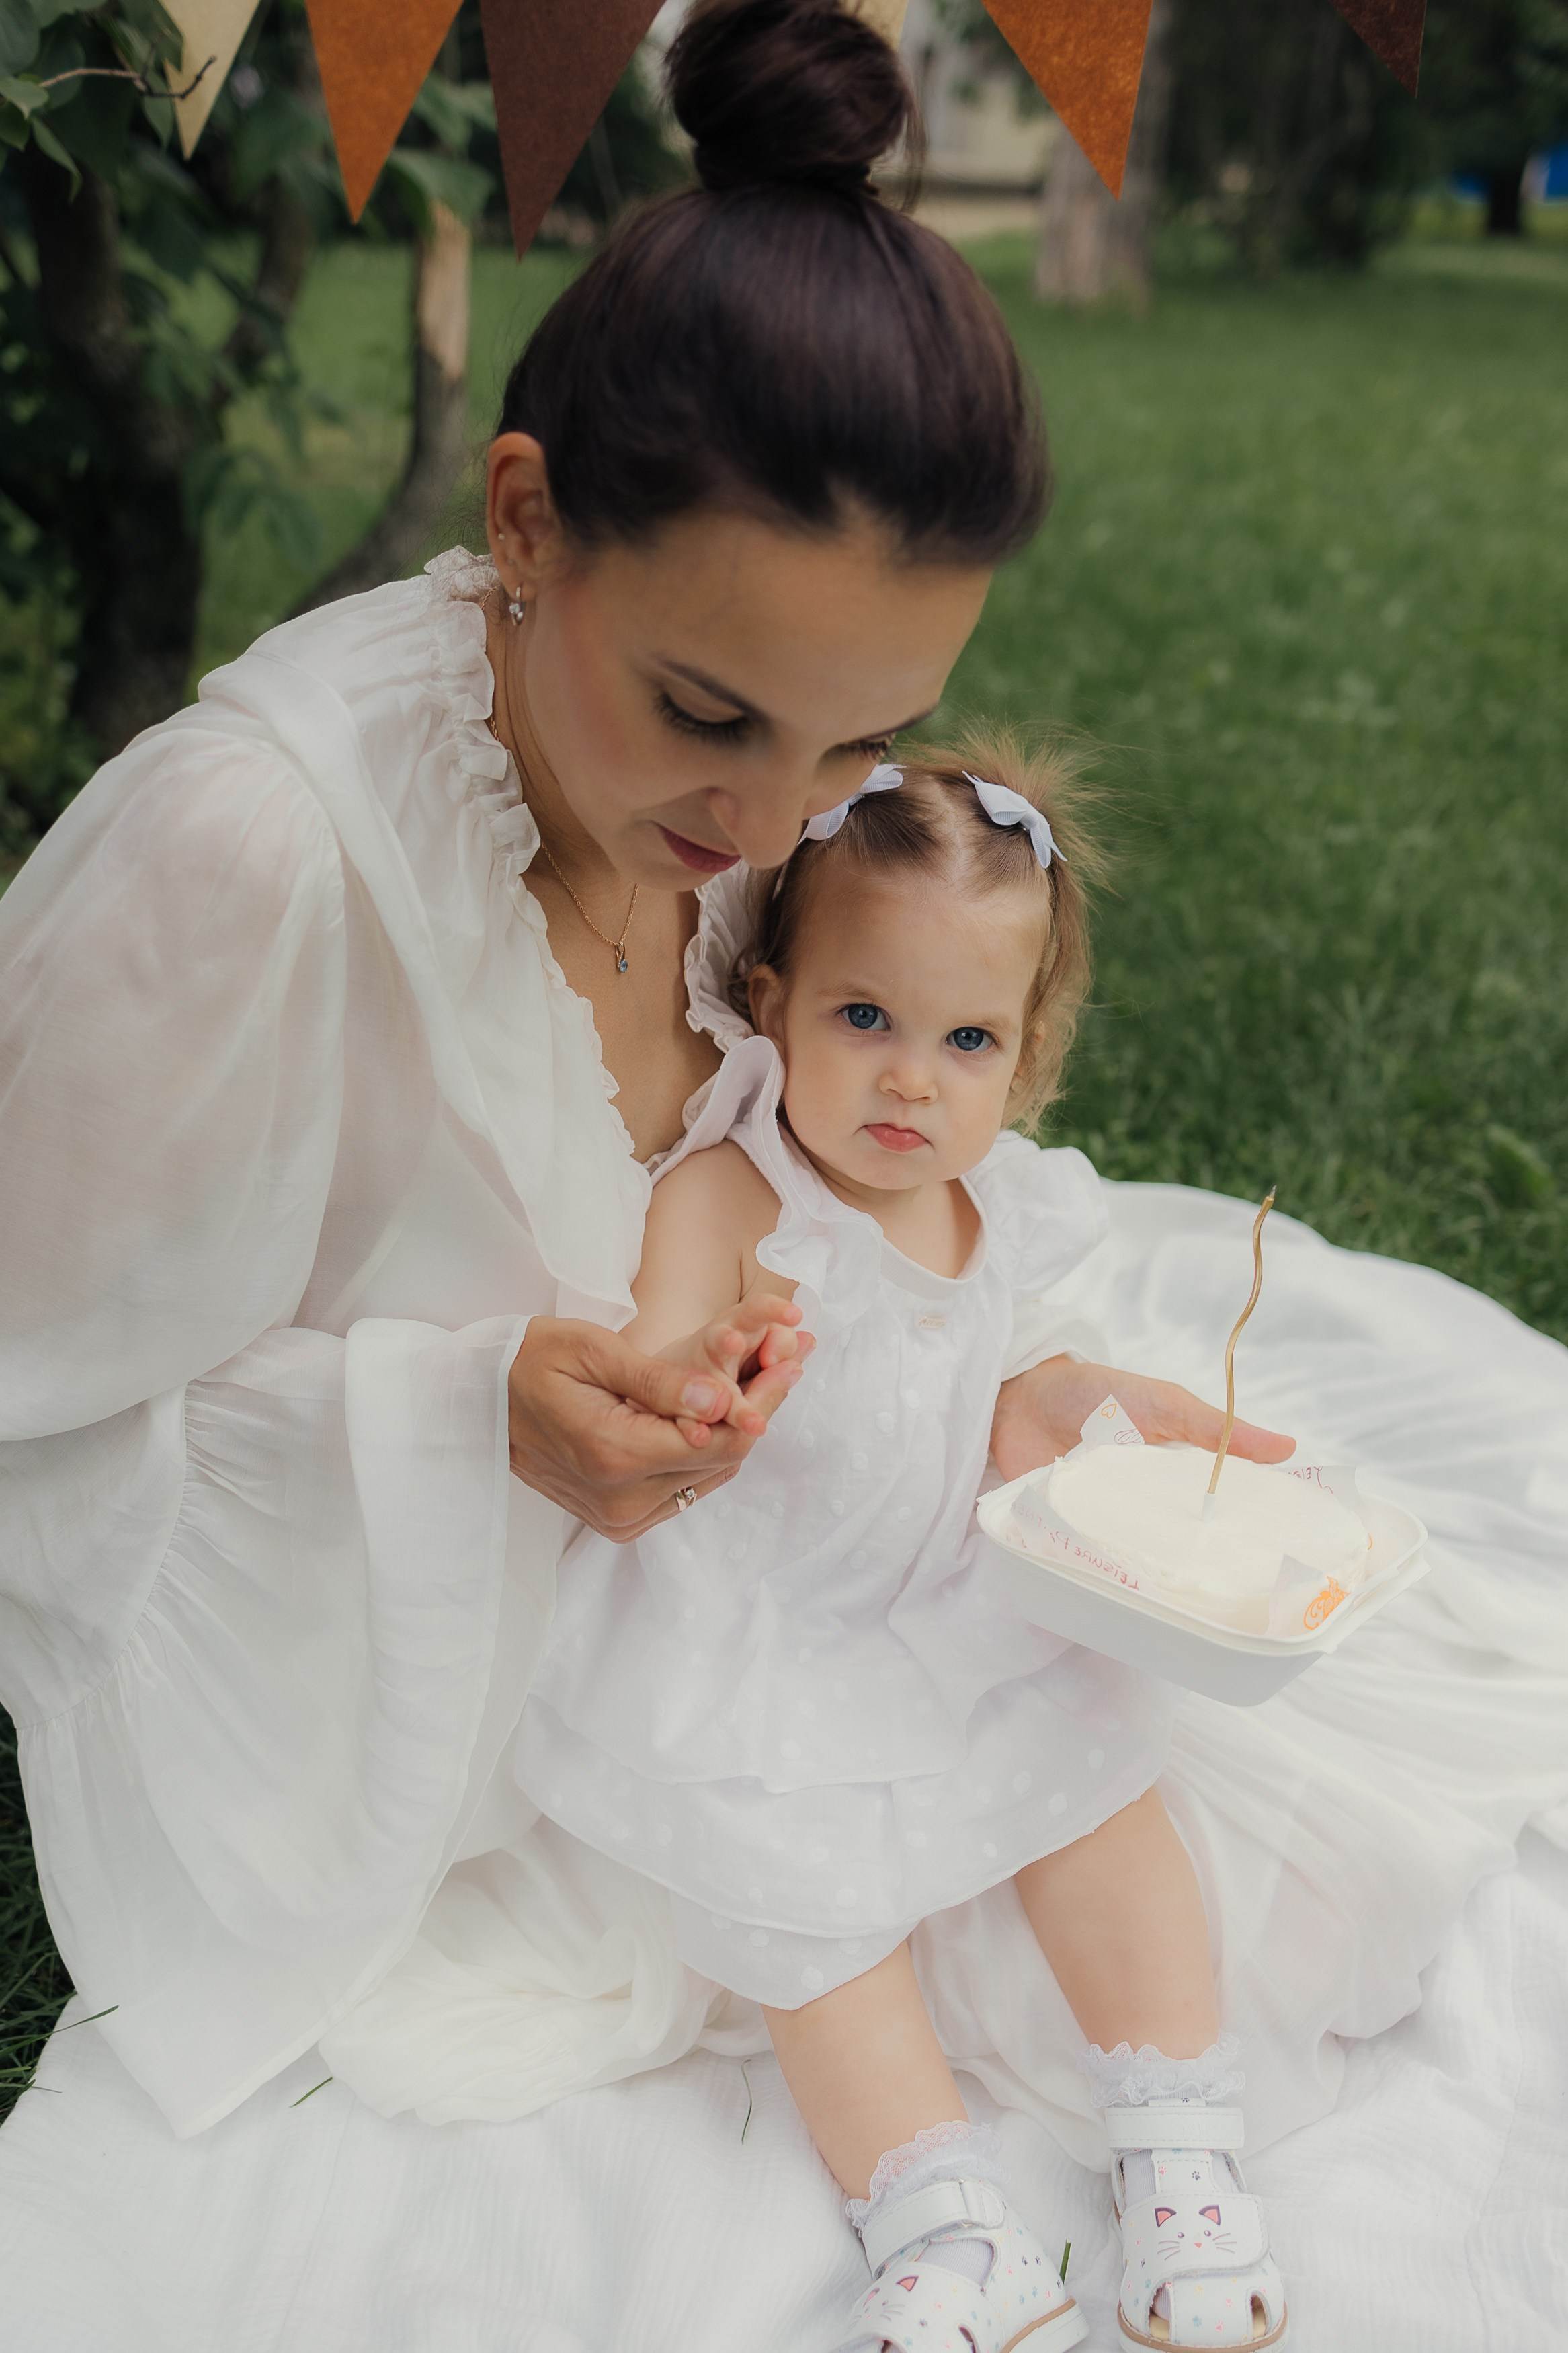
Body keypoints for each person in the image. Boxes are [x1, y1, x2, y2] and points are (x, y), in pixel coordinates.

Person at [0, 0, 1281, 2167]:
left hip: (762, 1577)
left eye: (862, 738)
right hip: (398, 1682)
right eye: (708, 707)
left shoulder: (748, 827)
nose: (780, 821)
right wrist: (461, 1412)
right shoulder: (250, 855)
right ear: (523, 517)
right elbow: (31, 1401)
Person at [507, 746, 1286, 2351]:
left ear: (1024, 1054)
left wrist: (1079, 1398)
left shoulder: (994, 1201)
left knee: (1098, 1778)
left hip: (945, 1581)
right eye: (865, 1019)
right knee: (797, 1903)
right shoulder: (729, 1193)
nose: (910, 1081)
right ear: (777, 1001)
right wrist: (708, 1379)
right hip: (767, 1619)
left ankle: (1178, 2134)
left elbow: (1002, 1386)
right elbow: (657, 1366)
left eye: (965, 1039)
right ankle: (938, 2213)